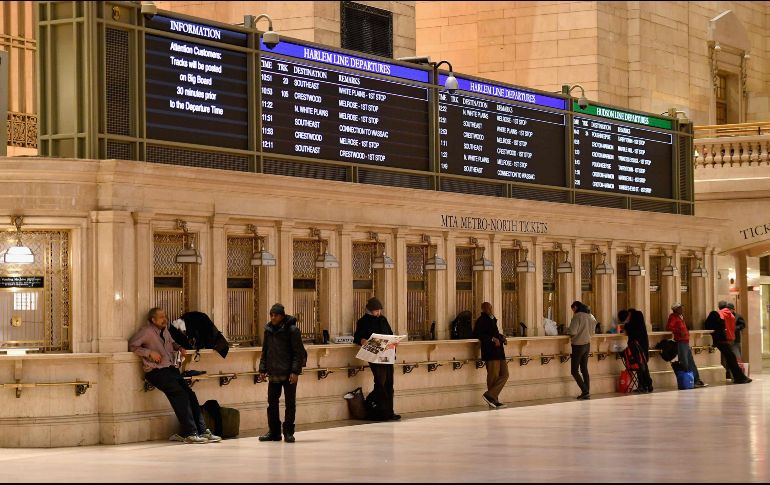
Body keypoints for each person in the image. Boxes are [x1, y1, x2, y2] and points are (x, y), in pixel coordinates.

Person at [128, 307, 221, 444]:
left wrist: (179, 348)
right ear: (153, 320)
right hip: (156, 371)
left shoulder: (165, 331)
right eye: (161, 317)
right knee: (180, 394)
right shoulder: (146, 332)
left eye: (164, 316)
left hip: (170, 368)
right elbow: (132, 346)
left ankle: (202, 430)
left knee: (190, 394)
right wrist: (149, 353)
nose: (164, 319)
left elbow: (172, 343)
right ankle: (190, 433)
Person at [258, 303, 306, 443]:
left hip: (289, 373)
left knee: (290, 404)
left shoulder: (292, 330)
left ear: (282, 316)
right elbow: (265, 351)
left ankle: (288, 432)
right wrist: (262, 369)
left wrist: (295, 371)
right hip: (273, 372)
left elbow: (298, 353)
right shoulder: (268, 330)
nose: (273, 317)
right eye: (271, 315)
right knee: (271, 403)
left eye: (276, 315)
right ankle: (274, 432)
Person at [354, 297, 400, 421]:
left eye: (379, 310)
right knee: (380, 383)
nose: (378, 313)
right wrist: (362, 340)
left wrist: (395, 341)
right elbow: (358, 336)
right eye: (376, 311)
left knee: (389, 383)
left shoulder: (383, 319)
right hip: (375, 357)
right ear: (369, 310)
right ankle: (381, 412)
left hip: (388, 355)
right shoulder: (363, 321)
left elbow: (390, 334)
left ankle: (389, 412)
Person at [472, 302, 508, 408]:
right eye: (487, 307)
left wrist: (501, 337)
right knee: (493, 377)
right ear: (483, 309)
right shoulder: (481, 320)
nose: (489, 309)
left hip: (499, 352)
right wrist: (492, 339)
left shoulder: (492, 319)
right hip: (490, 352)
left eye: (490, 307)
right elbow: (478, 334)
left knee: (505, 374)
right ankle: (494, 401)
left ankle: (490, 395)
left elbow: (495, 333)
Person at [705, 302, 751, 384]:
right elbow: (712, 326)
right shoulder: (717, 314)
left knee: (732, 358)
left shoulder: (723, 315)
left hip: (724, 340)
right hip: (722, 340)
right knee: (732, 358)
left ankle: (739, 377)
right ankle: (739, 377)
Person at [666, 303, 707, 388]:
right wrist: (679, 331)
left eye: (682, 307)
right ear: (675, 309)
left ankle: (696, 380)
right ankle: (689, 380)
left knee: (691, 362)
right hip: (681, 341)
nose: (682, 309)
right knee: (685, 362)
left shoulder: (681, 317)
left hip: (685, 341)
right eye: (680, 308)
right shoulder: (673, 317)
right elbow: (669, 327)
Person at [567, 301, 595, 400]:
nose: (573, 311)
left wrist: (567, 331)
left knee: (574, 371)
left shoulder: (577, 316)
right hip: (587, 344)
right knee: (584, 369)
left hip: (578, 345)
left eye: (573, 309)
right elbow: (593, 331)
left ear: (575, 307)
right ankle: (587, 392)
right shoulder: (590, 316)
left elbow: (573, 331)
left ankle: (585, 391)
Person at [624, 309, 653, 392]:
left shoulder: (632, 326)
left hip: (637, 348)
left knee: (640, 366)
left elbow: (628, 331)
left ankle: (644, 385)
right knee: (642, 366)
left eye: (629, 315)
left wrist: (626, 324)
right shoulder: (640, 326)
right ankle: (646, 385)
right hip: (642, 347)